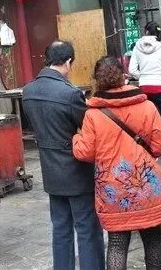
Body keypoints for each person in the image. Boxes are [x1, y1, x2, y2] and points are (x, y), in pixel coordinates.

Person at [73, 56, 161, 270]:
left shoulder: (93, 115)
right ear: (123, 76)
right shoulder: (147, 106)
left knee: (117, 244)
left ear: (97, 80)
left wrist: (76, 138)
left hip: (113, 190)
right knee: (153, 239)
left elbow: (84, 153)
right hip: (147, 185)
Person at [22, 41, 104, 270]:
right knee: (87, 228)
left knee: (60, 228)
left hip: (50, 169)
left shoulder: (28, 92)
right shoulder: (70, 94)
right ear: (68, 62)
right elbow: (88, 127)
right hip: (76, 169)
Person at [129, 21, 161, 158]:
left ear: (146, 31)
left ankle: (149, 154)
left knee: (146, 122)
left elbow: (131, 69)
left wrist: (143, 76)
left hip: (144, 88)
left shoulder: (137, 46)